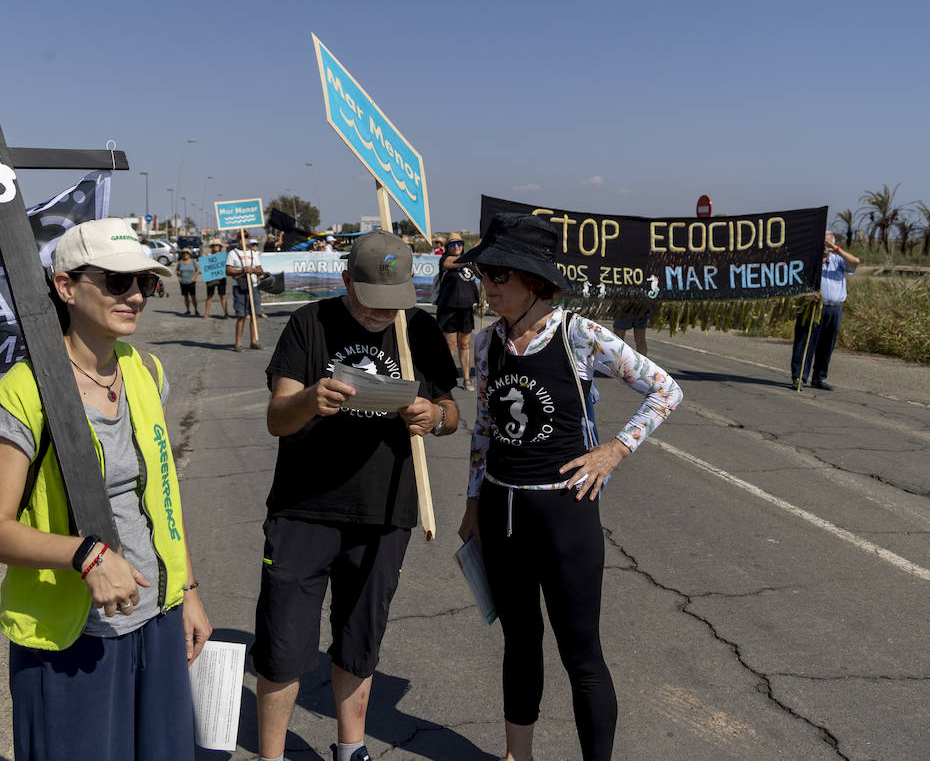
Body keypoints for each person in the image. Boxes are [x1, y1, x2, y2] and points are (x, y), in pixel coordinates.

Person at [0, 218, 211, 760]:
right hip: (74, 636)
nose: (135, 296)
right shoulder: (22, 393)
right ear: (65, 286)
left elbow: (163, 496)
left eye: (143, 283)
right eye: (116, 281)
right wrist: (86, 555)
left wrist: (189, 592)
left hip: (158, 617)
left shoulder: (146, 370)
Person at [455, 213, 682, 761]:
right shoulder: (486, 344)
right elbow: (484, 428)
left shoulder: (579, 335)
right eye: (483, 275)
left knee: (581, 655)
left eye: (498, 276)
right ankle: (517, 756)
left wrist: (615, 449)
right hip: (502, 512)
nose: (487, 287)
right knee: (519, 642)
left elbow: (665, 390)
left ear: (533, 281)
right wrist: (472, 503)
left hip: (564, 515)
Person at [255, 231, 459, 761]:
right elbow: (277, 418)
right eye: (372, 301)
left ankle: (351, 748)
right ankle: (272, 757)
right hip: (303, 508)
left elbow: (451, 412)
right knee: (282, 642)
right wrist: (309, 399)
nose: (382, 314)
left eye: (394, 302)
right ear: (347, 281)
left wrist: (435, 417)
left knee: (360, 637)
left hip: (385, 510)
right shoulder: (309, 324)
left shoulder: (419, 329)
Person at [791, 231, 861, 391]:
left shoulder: (838, 260)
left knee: (827, 344)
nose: (825, 247)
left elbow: (855, 263)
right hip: (813, 306)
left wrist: (836, 250)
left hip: (834, 307)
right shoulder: (809, 260)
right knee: (806, 341)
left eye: (828, 244)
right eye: (823, 243)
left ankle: (819, 377)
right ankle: (799, 376)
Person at [435, 232, 481, 390]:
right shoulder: (445, 260)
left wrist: (480, 300)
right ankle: (445, 378)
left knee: (465, 345)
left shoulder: (469, 264)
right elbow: (456, 262)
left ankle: (466, 379)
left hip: (466, 310)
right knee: (449, 345)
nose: (456, 247)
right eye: (453, 244)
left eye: (459, 244)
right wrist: (476, 248)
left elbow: (475, 281)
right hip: (448, 309)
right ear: (447, 247)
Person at [226, 232, 264, 352]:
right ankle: (238, 343)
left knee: (255, 314)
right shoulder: (232, 253)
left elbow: (260, 270)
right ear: (237, 239)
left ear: (248, 239)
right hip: (239, 287)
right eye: (241, 237)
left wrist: (252, 270)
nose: (243, 239)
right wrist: (241, 271)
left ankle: (254, 341)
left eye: (246, 237)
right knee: (241, 315)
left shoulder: (253, 253)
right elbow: (228, 271)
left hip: (253, 287)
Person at [203, 238, 229, 319]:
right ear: (211, 247)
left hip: (222, 279)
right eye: (214, 245)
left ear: (220, 247)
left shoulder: (224, 256)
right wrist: (207, 277)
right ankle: (206, 313)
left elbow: (227, 267)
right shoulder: (208, 256)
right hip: (211, 279)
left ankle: (226, 314)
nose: (215, 246)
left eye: (217, 245)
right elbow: (205, 269)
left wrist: (223, 274)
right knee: (209, 296)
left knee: (223, 296)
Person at [176, 250, 199, 315]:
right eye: (183, 253)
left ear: (189, 254)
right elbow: (176, 270)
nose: (185, 254)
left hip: (191, 282)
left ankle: (196, 310)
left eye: (187, 253)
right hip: (183, 282)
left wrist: (194, 277)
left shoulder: (193, 261)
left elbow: (198, 270)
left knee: (193, 297)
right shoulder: (180, 262)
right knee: (186, 297)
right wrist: (179, 277)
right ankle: (188, 310)